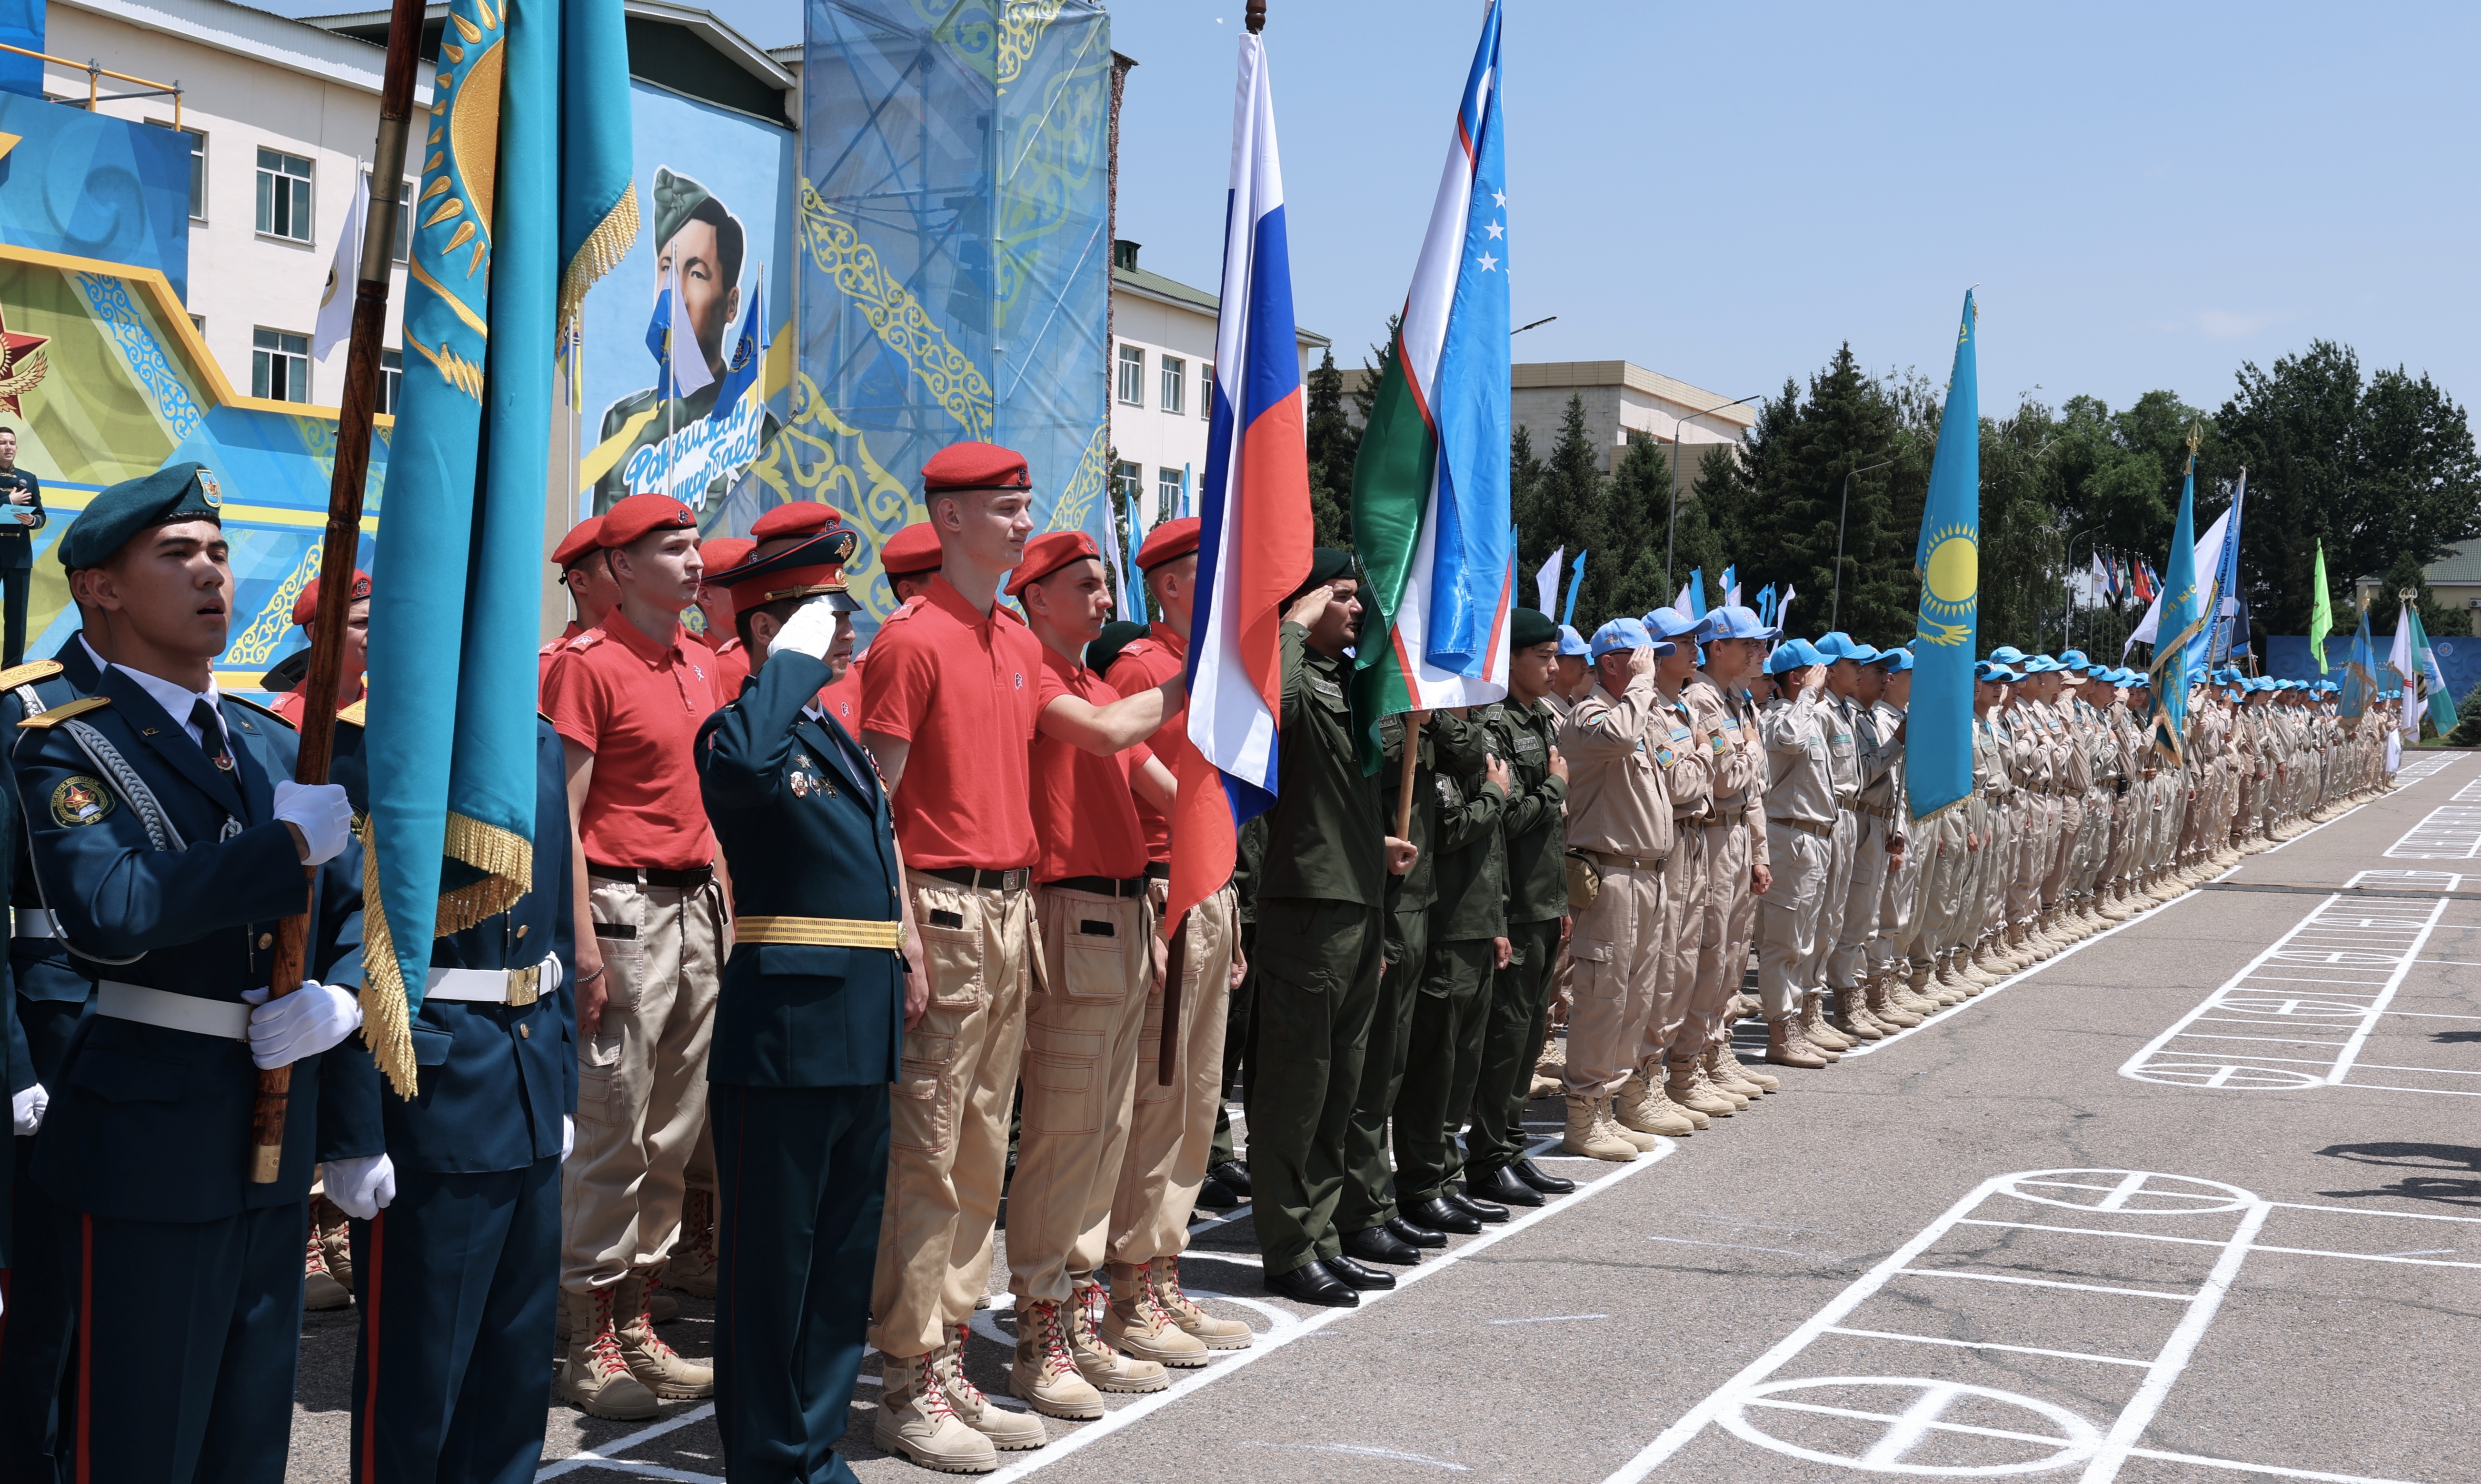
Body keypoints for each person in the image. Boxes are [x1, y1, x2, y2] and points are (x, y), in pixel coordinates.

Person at [13, 460, 362, 1481]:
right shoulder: (68, 741)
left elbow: (344, 912)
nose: (213, 573)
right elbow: (112, 912)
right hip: (147, 1133)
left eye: (217, 552)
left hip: (272, 1125)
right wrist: (275, 854)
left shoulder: (266, 742)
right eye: (177, 555)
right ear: (100, 587)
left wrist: (336, 1002)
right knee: (142, 1437)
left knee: (249, 1439)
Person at [858, 443, 1179, 1468]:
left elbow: (1103, 727)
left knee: (980, 1149)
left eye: (1022, 507)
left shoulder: (1006, 634)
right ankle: (907, 1376)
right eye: (1002, 509)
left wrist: (1204, 672)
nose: (1018, 522)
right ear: (947, 519)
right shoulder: (911, 641)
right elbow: (876, 806)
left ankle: (947, 1356)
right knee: (930, 1153)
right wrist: (900, 930)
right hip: (944, 907)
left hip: (1007, 910)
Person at [697, 527, 915, 1484]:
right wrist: (783, 659)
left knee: (837, 1270)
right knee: (770, 1275)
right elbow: (745, 766)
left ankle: (813, 1452)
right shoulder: (742, 733)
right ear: (769, 631)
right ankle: (766, 1459)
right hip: (782, 1040)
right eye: (825, 612)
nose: (848, 627)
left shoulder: (834, 739)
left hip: (857, 1033)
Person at [319, 709, 578, 1484]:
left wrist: (559, 1082)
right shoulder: (371, 738)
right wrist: (355, 1127)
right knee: (419, 1376)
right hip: (428, 1087)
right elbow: (344, 927)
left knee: (515, 1371)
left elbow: (553, 923)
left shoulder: (533, 734)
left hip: (525, 1080)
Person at [541, 491, 725, 1417]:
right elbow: (562, 821)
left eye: (694, 544)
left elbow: (713, 804)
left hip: (696, 907)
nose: (692, 561)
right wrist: (580, 946)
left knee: (672, 1130)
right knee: (611, 1126)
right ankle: (587, 1338)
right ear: (618, 569)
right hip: (618, 906)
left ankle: (638, 1316)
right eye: (671, 547)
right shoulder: (587, 665)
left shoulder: (701, 662)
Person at [1002, 529, 1189, 1413]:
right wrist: (1205, 678)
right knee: (1066, 1132)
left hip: (1121, 910)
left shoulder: (1089, 676)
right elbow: (1119, 732)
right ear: (1035, 596)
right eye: (1084, 584)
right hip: (1068, 908)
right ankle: (1040, 1331)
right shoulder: (1040, 676)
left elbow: (1166, 788)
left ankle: (1075, 1318)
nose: (1104, 598)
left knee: (1107, 1131)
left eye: (1104, 583)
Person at [1097, 516, 1255, 1355]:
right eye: (1209, 572)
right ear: (1167, 585)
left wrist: (1227, 912)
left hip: (1206, 888)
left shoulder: (1208, 673)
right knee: (1156, 1103)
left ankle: (1160, 1270)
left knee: (1195, 1103)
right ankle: (1129, 1287)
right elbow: (1121, 772)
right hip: (1162, 887)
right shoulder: (1143, 667)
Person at [1246, 549, 1416, 1308]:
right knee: (1295, 1089)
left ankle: (1319, 1234)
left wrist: (1373, 851)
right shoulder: (1287, 671)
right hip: (1303, 909)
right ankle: (1287, 1246)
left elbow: (1342, 791)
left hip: (1355, 905)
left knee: (1338, 1089)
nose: (1355, 610)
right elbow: (1266, 718)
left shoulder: (1346, 683)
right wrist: (1290, 623)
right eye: (1341, 597)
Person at [0, 623, 100, 1481]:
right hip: (56, 1019)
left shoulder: (200, 718)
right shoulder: (30, 709)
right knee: (49, 1287)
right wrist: (15, 1063)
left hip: (154, 1025)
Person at [1461, 607, 1573, 1207]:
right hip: (1513, 903)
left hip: (1543, 901)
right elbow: (1503, 819)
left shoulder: (1540, 719)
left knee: (1531, 1035)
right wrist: (1553, 787)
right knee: (1505, 1039)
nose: (1555, 668)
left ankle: (1508, 1145)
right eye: (1544, 657)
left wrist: (1558, 902)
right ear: (1511, 661)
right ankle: (1486, 1156)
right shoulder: (1496, 724)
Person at [1558, 617, 1679, 1157]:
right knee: (1602, 996)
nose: (1652, 666)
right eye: (1641, 657)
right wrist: (1641, 688)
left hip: (1650, 872)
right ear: (1611, 663)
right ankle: (1583, 1113)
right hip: (1609, 874)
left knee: (1638, 996)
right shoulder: (1592, 715)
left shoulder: (1641, 716)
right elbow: (1619, 736)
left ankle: (1613, 1099)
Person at [1755, 638, 1838, 1060]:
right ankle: (1780, 1035)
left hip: (1815, 837)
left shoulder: (1811, 717)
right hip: (1789, 836)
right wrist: (1806, 694)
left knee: (1804, 939)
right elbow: (1789, 740)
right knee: (1782, 943)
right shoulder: (1779, 717)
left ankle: (1798, 1023)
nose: (1824, 678)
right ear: (1795, 677)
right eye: (1815, 671)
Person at [269, 569, 370, 727]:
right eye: (360, 623)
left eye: (378, 622)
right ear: (318, 633)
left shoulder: (383, 706)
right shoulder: (291, 718)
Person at [0, 425, 46, 667]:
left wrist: (33, 521)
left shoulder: (29, 478)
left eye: (12, 443)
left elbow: (41, 515)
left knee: (17, 618)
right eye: (3, 443)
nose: (9, 447)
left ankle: (11, 671)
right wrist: (9, 500)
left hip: (19, 557)